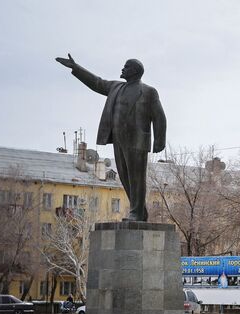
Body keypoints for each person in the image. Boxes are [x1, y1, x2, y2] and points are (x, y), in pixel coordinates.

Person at [55, 54, 167, 221]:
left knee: (137, 178)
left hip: (137, 141)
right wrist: (76, 68)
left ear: (135, 71)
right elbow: (97, 82)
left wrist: (159, 140)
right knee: (125, 177)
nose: (123, 69)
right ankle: (139, 212)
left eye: (126, 67)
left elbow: (159, 116)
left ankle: (136, 212)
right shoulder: (116, 87)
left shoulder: (149, 92)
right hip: (119, 138)